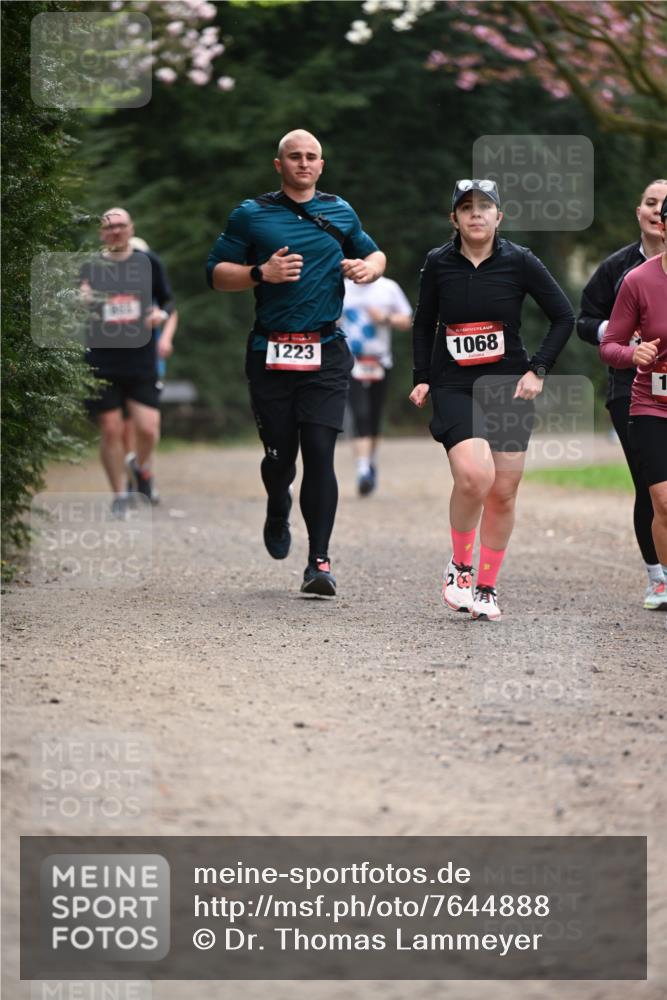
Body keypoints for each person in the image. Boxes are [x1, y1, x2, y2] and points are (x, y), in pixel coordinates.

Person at [206, 129, 386, 597]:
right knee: (280, 458)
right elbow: (216, 273)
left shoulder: (340, 211)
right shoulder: (252, 214)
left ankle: (319, 562)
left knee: (320, 453)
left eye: (311, 157)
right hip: (270, 353)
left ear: (321, 165)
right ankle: (276, 503)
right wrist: (259, 273)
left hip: (326, 351)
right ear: (279, 164)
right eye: (294, 157)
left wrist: (369, 268)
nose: (303, 163)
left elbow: (373, 252)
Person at [409, 179, 574, 621]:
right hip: (454, 385)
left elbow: (563, 316)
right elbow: (424, 323)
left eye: (485, 207)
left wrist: (538, 369)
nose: (476, 214)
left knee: (502, 492)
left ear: (499, 216)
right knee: (473, 475)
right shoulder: (438, 262)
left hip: (508, 387)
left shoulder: (520, 260)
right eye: (466, 208)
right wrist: (422, 377)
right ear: (454, 219)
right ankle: (460, 568)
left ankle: (485, 587)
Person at [577, 179, 667, 610]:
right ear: (643, 213)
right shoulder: (622, 270)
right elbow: (585, 322)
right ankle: (658, 577)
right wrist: (627, 342)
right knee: (652, 487)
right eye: (651, 203)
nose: (657, 211)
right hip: (632, 389)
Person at [80, 208, 176, 515]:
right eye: (109, 227)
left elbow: (168, 301)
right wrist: (79, 299)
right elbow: (72, 303)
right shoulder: (89, 265)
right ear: (101, 233)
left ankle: (140, 466)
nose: (116, 231)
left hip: (140, 359)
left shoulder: (148, 262)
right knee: (110, 429)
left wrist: (160, 315)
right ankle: (120, 495)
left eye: (121, 225)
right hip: (101, 358)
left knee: (148, 429)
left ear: (131, 228)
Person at [600, 193, 667, 579]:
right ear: (663, 227)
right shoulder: (637, 280)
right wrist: (633, 354)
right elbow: (609, 346)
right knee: (663, 501)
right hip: (652, 405)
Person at [341, 276, 412, 495]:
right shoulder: (341, 287)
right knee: (360, 413)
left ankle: (370, 461)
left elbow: (407, 320)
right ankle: (362, 469)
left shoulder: (388, 287)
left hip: (380, 362)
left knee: (374, 415)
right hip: (351, 362)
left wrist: (385, 318)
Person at [122, 235, 179, 498]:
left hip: (149, 360)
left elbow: (171, 309)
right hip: (119, 363)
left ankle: (145, 473)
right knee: (126, 426)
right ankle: (132, 480)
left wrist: (165, 339)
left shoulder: (152, 285)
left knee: (146, 426)